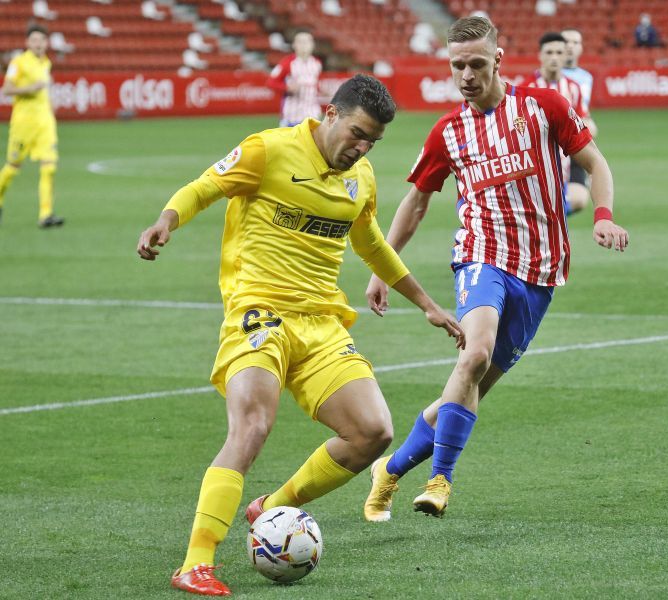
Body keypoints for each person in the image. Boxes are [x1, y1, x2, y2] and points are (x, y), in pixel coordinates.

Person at [137, 74, 465, 596]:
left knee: (373, 431)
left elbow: (372, 242)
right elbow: (205, 186)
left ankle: (272, 506)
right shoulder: (268, 150)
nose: (361, 148)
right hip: (259, 312)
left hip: (321, 325)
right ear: (329, 114)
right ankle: (195, 563)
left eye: (372, 142)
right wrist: (166, 220)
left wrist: (426, 303)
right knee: (253, 425)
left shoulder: (362, 178)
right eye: (357, 133)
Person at [362, 16, 629, 522]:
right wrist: (383, 268)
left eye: (476, 64)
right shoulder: (448, 132)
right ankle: (441, 480)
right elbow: (415, 202)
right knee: (476, 352)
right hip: (481, 256)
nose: (465, 74)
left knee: (466, 390)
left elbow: (595, 164)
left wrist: (602, 216)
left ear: (498, 60)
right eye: (457, 65)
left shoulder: (542, 107)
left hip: (542, 270)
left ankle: (390, 470)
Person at [0, 25, 64, 228]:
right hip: (23, 124)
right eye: (35, 40)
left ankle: (45, 214)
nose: (38, 44)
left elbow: (44, 92)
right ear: (27, 42)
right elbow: (8, 89)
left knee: (49, 167)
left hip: (45, 124)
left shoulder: (46, 62)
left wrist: (50, 109)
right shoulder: (18, 63)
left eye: (42, 40)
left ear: (47, 43)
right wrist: (30, 88)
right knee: (12, 168)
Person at [521, 32, 590, 215]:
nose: (554, 58)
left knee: (578, 199)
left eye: (559, 53)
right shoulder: (526, 89)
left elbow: (582, 121)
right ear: (540, 55)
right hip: (537, 160)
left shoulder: (574, 88)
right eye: (549, 52)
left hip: (567, 156)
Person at [561, 28, 598, 214]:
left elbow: (584, 109)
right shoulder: (547, 77)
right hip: (555, 144)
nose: (570, 46)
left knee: (579, 199)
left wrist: (588, 123)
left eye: (575, 42)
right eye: (566, 42)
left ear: (581, 47)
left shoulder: (586, 78)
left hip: (576, 142)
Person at [266, 29, 322, 127]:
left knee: (312, 142)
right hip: (292, 115)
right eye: (300, 42)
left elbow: (314, 84)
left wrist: (320, 90)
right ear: (294, 45)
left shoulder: (317, 63)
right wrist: (287, 88)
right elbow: (271, 82)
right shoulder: (287, 63)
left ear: (313, 45)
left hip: (312, 114)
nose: (304, 45)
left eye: (307, 41)